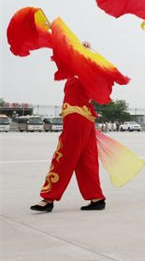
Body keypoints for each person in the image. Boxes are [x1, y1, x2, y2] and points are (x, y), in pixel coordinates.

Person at [31, 64, 107, 213]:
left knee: (64, 156)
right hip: (84, 118)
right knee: (87, 159)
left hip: (77, 118)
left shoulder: (86, 73)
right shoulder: (77, 74)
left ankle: (48, 198)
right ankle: (96, 198)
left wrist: (87, 52)